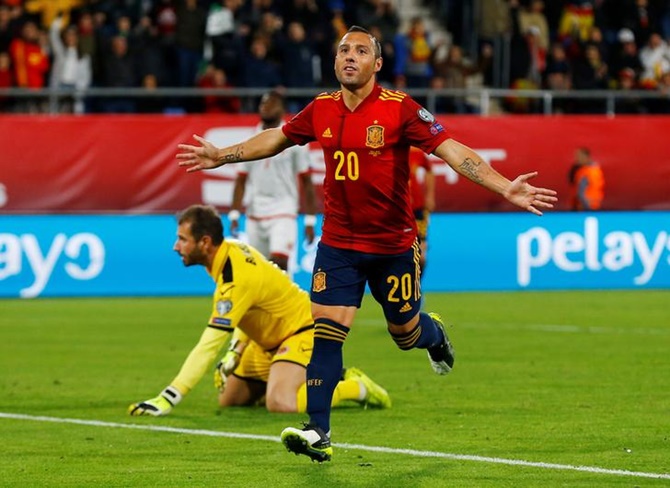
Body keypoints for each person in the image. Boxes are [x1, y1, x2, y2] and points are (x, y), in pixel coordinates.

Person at [176, 26, 557, 462]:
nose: (349, 56)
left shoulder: (400, 109)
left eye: (360, 51)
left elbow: (453, 151)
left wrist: (505, 187)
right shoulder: (321, 109)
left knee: (405, 331)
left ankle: (434, 336)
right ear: (335, 61)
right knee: (326, 334)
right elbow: (277, 138)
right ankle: (318, 430)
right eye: (343, 50)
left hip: (393, 245)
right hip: (339, 244)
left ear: (377, 65)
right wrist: (222, 154)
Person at [128, 204, 390, 417]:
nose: (176, 246)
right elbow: (250, 308)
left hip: (301, 331)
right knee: (230, 401)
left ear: (205, 242)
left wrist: (169, 397)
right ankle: (288, 375)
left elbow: (208, 345)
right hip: (264, 341)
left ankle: (353, 387)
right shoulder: (229, 250)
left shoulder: (235, 278)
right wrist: (235, 351)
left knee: (281, 403)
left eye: (182, 239)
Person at [228, 90, 317, 273]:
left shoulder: (294, 139)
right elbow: (240, 180)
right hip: (255, 212)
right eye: (263, 103)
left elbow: (307, 181)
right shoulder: (249, 139)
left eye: (271, 103)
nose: (265, 107)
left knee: (279, 263)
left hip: (283, 211)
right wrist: (234, 214)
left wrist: (309, 220)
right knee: (259, 271)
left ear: (282, 109)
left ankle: (288, 300)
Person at [408, 146, 434, 275]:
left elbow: (429, 170)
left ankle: (417, 290)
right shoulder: (383, 150)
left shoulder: (415, 152)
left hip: (417, 209)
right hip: (395, 211)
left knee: (421, 256)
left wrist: (430, 196)